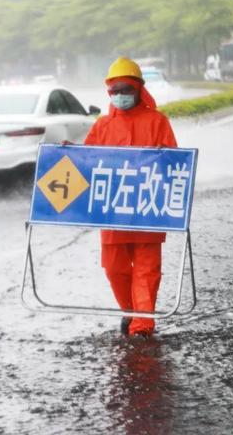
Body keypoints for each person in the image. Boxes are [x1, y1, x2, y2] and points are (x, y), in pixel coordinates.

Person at [83, 57, 178, 337]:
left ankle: (142, 324)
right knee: (114, 268)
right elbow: (86, 161)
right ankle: (131, 310)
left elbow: (173, 161)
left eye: (126, 89)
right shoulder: (101, 126)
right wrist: (67, 154)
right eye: (115, 91)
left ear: (138, 89)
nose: (120, 96)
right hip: (113, 212)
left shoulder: (158, 121)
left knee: (147, 270)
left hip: (148, 211)